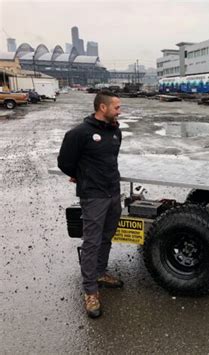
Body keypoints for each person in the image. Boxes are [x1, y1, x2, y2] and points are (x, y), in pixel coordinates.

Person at [58, 90, 123, 318]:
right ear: (102, 108)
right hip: (93, 196)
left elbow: (111, 159)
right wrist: (80, 174)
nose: (119, 110)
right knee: (92, 242)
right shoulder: (80, 133)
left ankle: (100, 272)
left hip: (113, 193)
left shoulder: (116, 131)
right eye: (116, 107)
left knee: (107, 236)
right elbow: (65, 162)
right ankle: (90, 291)